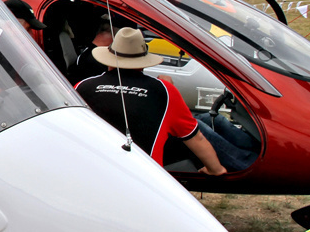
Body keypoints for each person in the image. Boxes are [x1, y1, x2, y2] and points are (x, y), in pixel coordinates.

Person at [76, 28, 227, 175]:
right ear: (143, 62)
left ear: (108, 59)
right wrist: (216, 169)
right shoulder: (165, 91)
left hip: (90, 172)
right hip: (146, 178)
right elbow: (195, 138)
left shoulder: (81, 87)